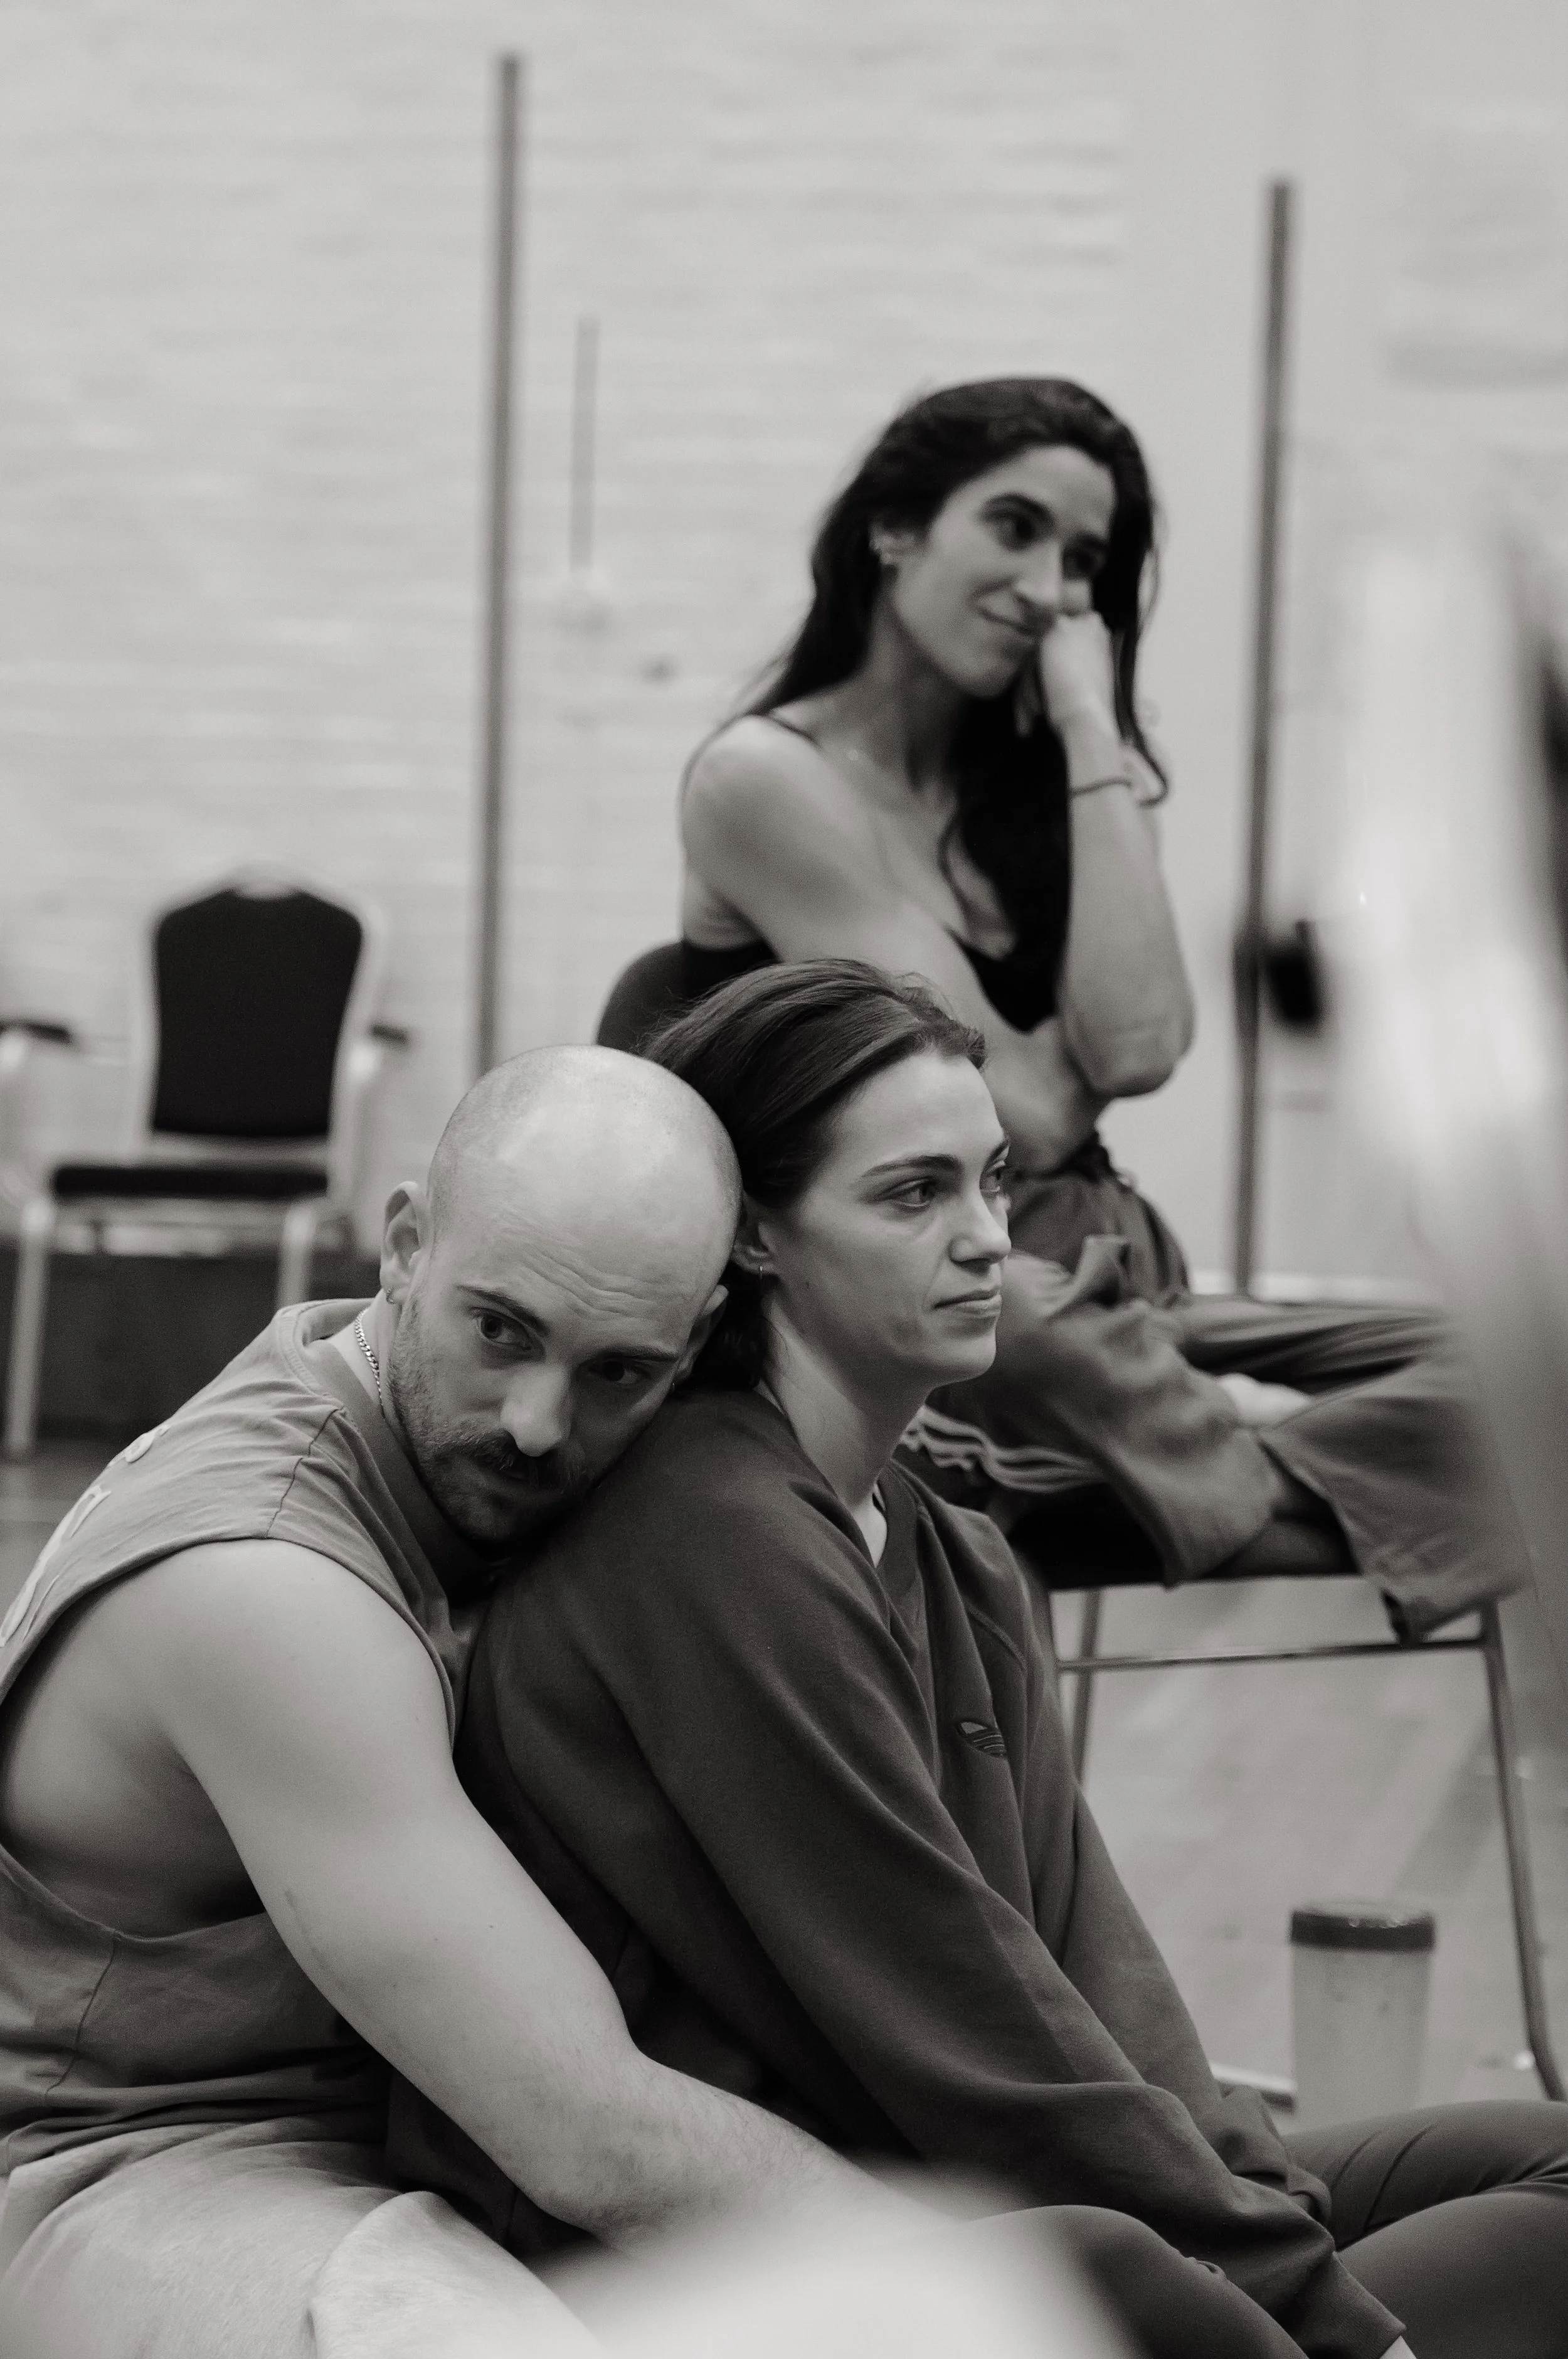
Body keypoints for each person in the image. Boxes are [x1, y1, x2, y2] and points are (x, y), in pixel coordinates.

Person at [420, 963, 1568, 2359]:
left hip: (974, 2185)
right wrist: (1325, 2312)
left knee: (1539, 2162)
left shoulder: (946, 1545)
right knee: (1137, 2262)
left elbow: (1089, 1972)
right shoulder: (704, 1531)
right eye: (911, 1194)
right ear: (759, 1239)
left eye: (991, 1182)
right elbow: (961, 2031)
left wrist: (1258, 2209)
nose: (983, 1241)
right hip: (744, 2257)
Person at [0, 1046, 946, 2359]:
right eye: (498, 1330)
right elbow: (586, 2129)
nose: (540, 1423)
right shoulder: (267, 1583)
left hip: (410, 2124)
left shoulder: (405, 1396)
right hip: (120, 2165)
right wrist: (980, 2282)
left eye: (617, 1369)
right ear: (402, 1245)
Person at [648, 376, 1528, 1636]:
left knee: (1499, 1353)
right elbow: (1025, 1116)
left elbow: (1141, 1044)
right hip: (915, 1278)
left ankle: (1147, 1484)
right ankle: (1239, 1488)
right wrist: (1045, 1080)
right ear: (891, 528)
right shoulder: (760, 778)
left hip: (1111, 1276)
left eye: (1083, 560)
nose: (1052, 587)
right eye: (1012, 528)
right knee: (1022, 1320)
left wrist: (1081, 722)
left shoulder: (1036, 780)